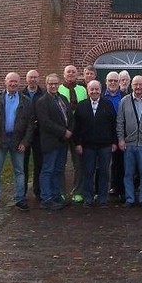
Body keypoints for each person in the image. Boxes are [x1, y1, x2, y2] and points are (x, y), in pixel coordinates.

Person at [0, 72, 34, 211]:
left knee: (19, 171)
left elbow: (30, 124)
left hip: (17, 141)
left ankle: (20, 199)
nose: (13, 84)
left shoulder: (25, 101)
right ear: (5, 82)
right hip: (0, 140)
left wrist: (25, 142)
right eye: (10, 81)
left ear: (19, 83)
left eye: (15, 81)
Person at [73, 80, 117, 207]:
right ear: (87, 90)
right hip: (87, 146)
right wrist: (78, 143)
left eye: (96, 89)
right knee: (88, 172)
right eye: (91, 89)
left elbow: (113, 124)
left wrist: (114, 142)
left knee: (104, 172)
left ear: (100, 90)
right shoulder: (81, 106)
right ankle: (88, 198)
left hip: (105, 145)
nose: (94, 91)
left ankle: (103, 198)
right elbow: (77, 127)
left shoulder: (107, 104)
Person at [117, 75, 142, 209]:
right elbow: (120, 122)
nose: (138, 87)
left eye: (140, 84)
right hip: (129, 143)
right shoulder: (124, 101)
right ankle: (130, 198)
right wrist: (121, 139)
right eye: (135, 84)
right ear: (132, 86)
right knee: (128, 173)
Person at [36, 73, 74, 210]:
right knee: (48, 170)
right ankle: (46, 198)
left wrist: (70, 130)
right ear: (46, 85)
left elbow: (70, 117)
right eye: (50, 83)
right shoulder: (42, 101)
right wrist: (63, 132)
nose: (53, 86)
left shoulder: (63, 98)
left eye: (55, 83)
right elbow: (45, 122)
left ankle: (56, 195)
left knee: (58, 170)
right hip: (51, 142)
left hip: (63, 142)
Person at [58, 65, 88, 202]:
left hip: (78, 131)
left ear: (77, 74)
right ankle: (60, 191)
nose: (71, 74)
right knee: (60, 162)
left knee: (79, 163)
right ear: (64, 74)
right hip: (62, 131)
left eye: (73, 72)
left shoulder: (82, 90)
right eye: (68, 72)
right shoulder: (59, 89)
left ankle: (78, 191)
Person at [22, 69, 45, 201]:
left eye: (35, 77)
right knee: (23, 163)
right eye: (30, 77)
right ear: (27, 79)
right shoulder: (21, 94)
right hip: (24, 134)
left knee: (39, 163)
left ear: (38, 79)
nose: (33, 80)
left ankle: (38, 190)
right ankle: (22, 191)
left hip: (38, 133)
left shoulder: (43, 94)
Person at [103, 71, 125, 200]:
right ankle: (100, 191)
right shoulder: (100, 96)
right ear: (106, 82)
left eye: (115, 81)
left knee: (119, 163)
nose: (112, 83)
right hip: (104, 134)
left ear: (119, 82)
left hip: (120, 134)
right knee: (102, 164)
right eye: (110, 80)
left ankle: (118, 189)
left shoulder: (125, 97)